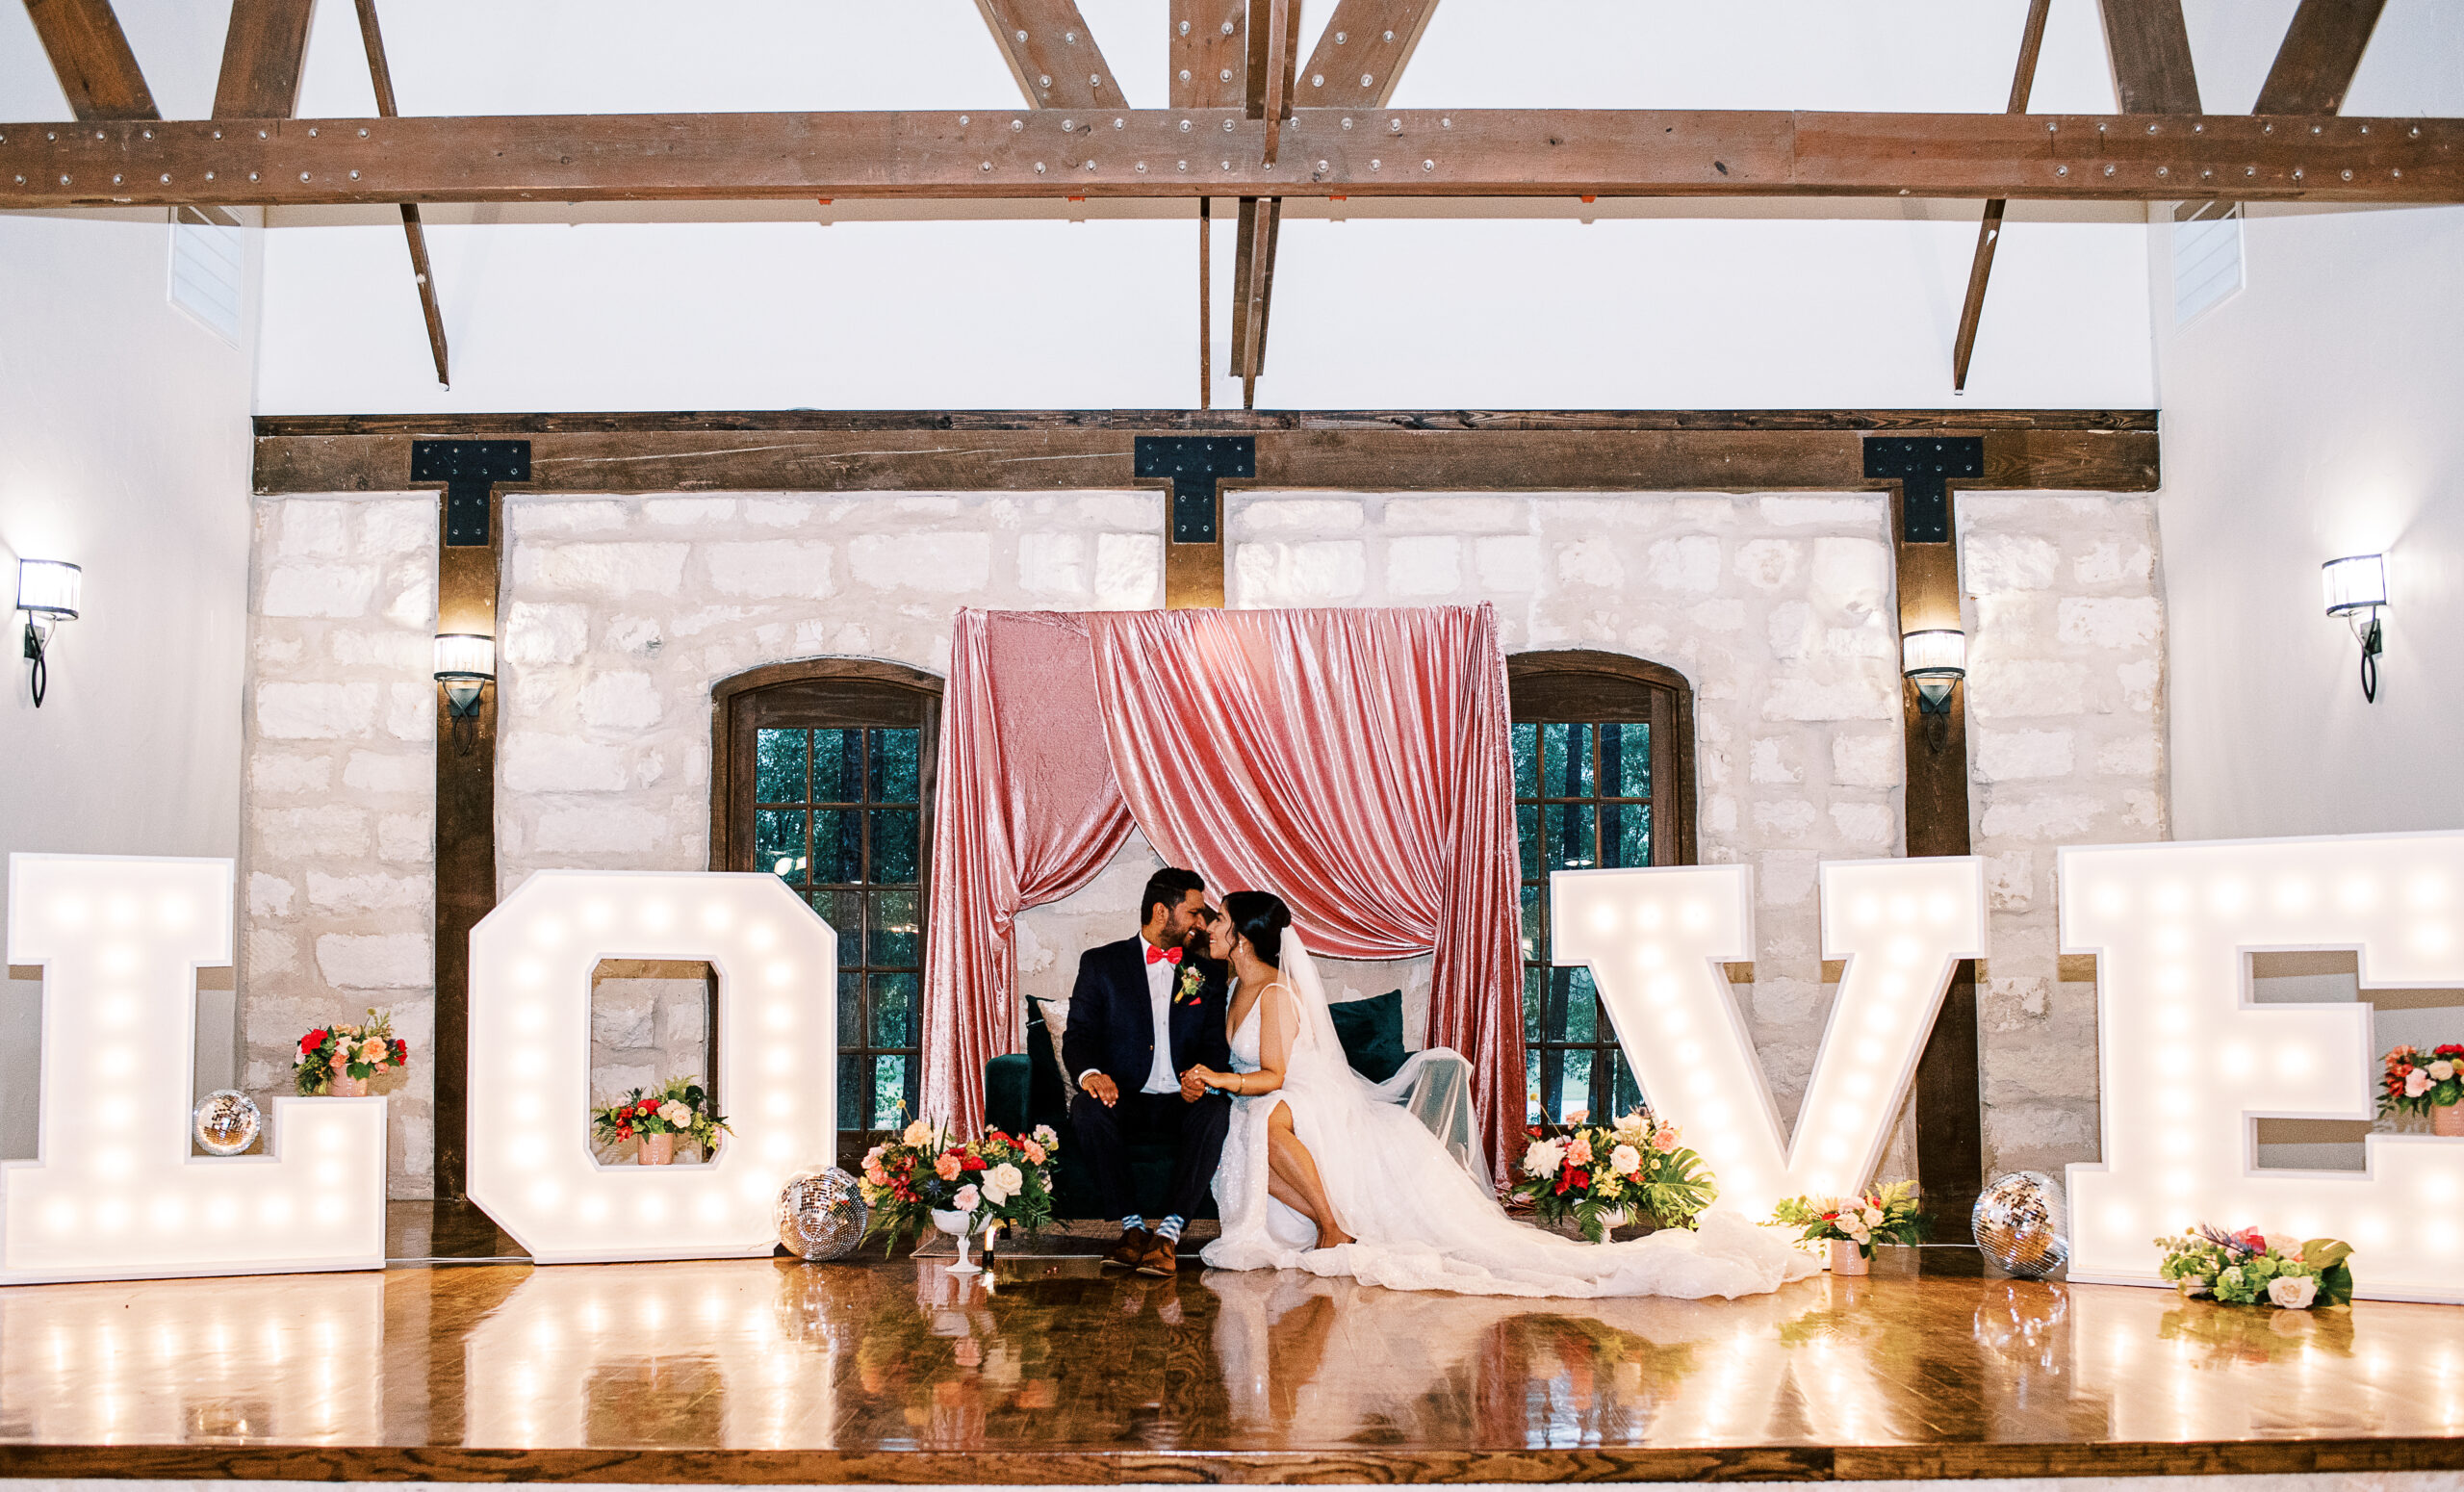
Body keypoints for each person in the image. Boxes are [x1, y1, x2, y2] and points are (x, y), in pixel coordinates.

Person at [1183, 890, 1821, 1299]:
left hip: (1301, 1092)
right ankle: (1334, 1226)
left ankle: (1331, 1226)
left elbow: (1273, 1075)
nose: (1210, 927)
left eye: (1221, 921)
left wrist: (1215, 1078)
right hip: (1272, 1094)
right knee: (1250, 1128)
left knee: (1264, 1118)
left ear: (1243, 937)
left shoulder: (1274, 992)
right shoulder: (1234, 986)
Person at [1061, 866, 1232, 1278]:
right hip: (1125, 1098)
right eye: (1193, 912)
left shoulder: (1207, 972)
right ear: (1161, 912)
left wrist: (1200, 1079)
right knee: (1085, 1108)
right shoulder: (1101, 964)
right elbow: (1078, 1035)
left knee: (1217, 1110)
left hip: (1182, 1101)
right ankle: (1132, 1228)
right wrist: (1091, 1075)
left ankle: (1169, 1233)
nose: (1201, 922)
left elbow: (1214, 1043)